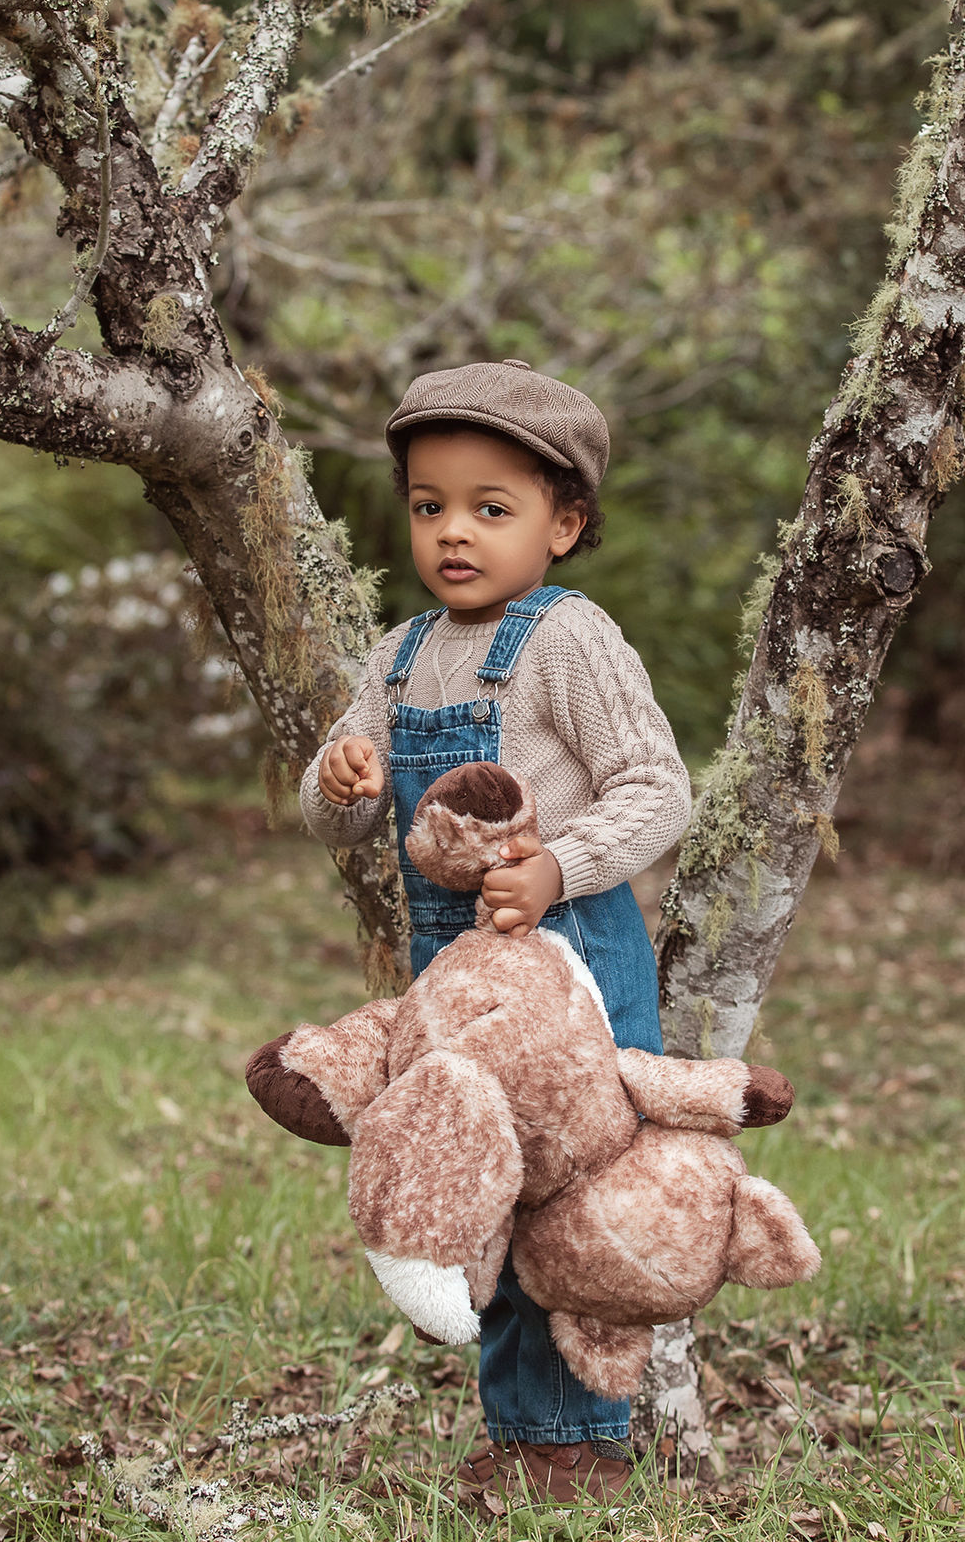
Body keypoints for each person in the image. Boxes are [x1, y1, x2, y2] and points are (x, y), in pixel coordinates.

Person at [299, 358, 692, 1507]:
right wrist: (343, 779)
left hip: (571, 961)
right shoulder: (404, 652)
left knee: (565, 1194)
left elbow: (658, 788)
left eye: (490, 508)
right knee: (482, 1181)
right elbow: (337, 819)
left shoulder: (566, 639)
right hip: (457, 973)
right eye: (430, 507)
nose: (453, 534)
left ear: (564, 524)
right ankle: (522, 1432)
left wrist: (560, 860)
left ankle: (577, 1436)